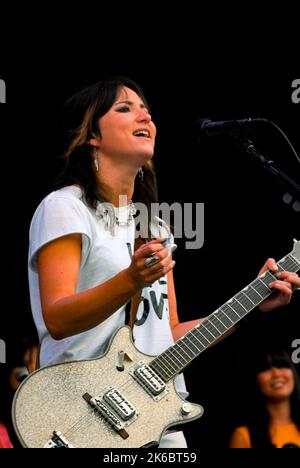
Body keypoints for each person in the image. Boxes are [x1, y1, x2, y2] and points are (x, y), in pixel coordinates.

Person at [28, 76, 300, 448]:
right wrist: (131, 280)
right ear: (91, 135)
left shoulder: (155, 228)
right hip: (79, 415)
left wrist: (251, 306)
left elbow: (166, 336)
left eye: (147, 111)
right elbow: (57, 319)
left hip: (153, 420)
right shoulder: (65, 207)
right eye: (125, 108)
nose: (145, 117)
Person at [229, 348, 300, 448]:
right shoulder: (243, 436)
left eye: (281, 365)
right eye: (265, 368)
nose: (276, 373)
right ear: (255, 380)